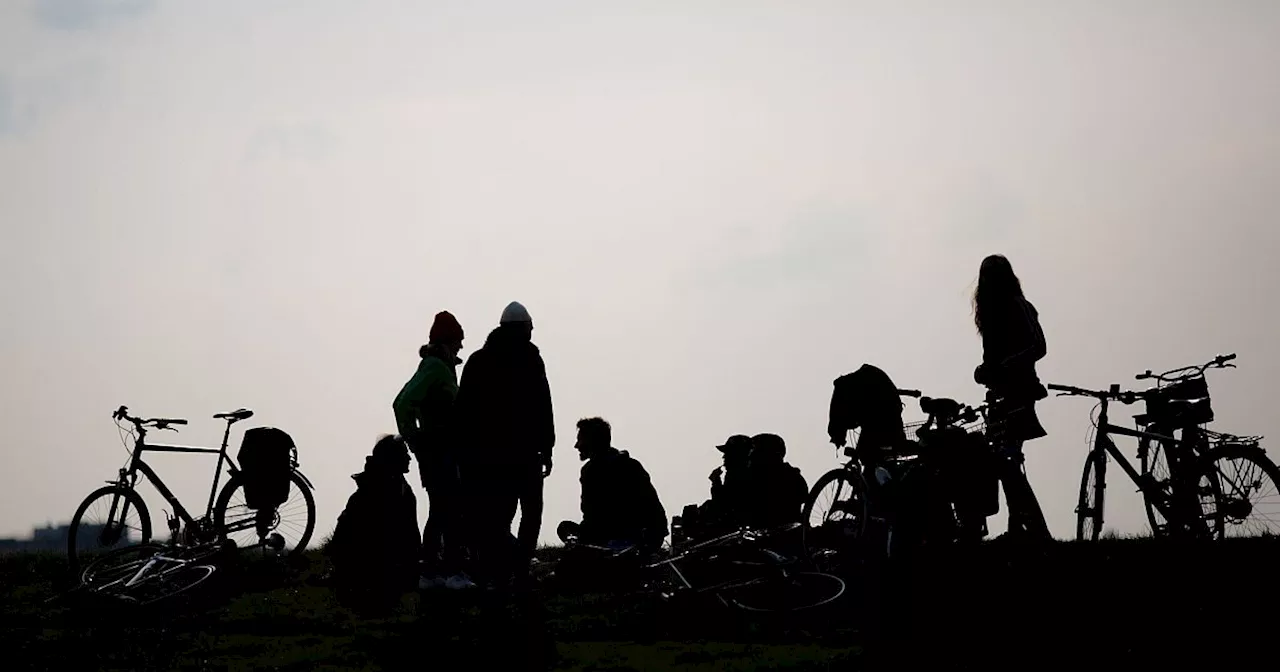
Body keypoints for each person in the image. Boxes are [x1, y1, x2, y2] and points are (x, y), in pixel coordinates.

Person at [453, 301, 555, 586]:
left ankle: (499, 569)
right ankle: (519, 566)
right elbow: (543, 405)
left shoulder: (478, 361)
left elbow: (463, 413)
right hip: (524, 453)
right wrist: (547, 446)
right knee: (531, 512)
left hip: (489, 456)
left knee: (498, 517)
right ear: (524, 328)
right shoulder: (532, 360)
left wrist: (465, 455)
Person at [971, 254, 1052, 542]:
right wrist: (985, 371)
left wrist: (1006, 366)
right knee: (1006, 461)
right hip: (1001, 393)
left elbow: (1038, 347)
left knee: (1007, 461)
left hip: (1018, 391)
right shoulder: (994, 311)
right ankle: (1021, 528)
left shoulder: (1017, 307)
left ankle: (1034, 531)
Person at [391, 310, 474, 590]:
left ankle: (431, 573)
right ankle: (452, 572)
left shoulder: (439, 365)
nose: (462, 345)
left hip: (441, 450)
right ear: (449, 341)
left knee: (440, 510)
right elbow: (401, 403)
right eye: (459, 340)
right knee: (451, 509)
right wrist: (415, 441)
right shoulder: (435, 367)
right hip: (439, 450)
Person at [325, 434, 421, 615]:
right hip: (369, 569)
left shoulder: (379, 483)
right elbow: (402, 535)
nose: (409, 458)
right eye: (404, 454)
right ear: (393, 458)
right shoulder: (389, 490)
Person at [556, 417, 668, 552]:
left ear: (592, 442)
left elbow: (594, 516)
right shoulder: (631, 464)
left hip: (628, 537)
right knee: (565, 528)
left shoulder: (591, 472)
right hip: (647, 536)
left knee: (568, 532)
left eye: (580, 440)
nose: (576, 445)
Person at [742, 433, 809, 530]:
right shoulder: (792, 475)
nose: (750, 459)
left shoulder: (763, 478)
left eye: (754, 454)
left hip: (778, 535)